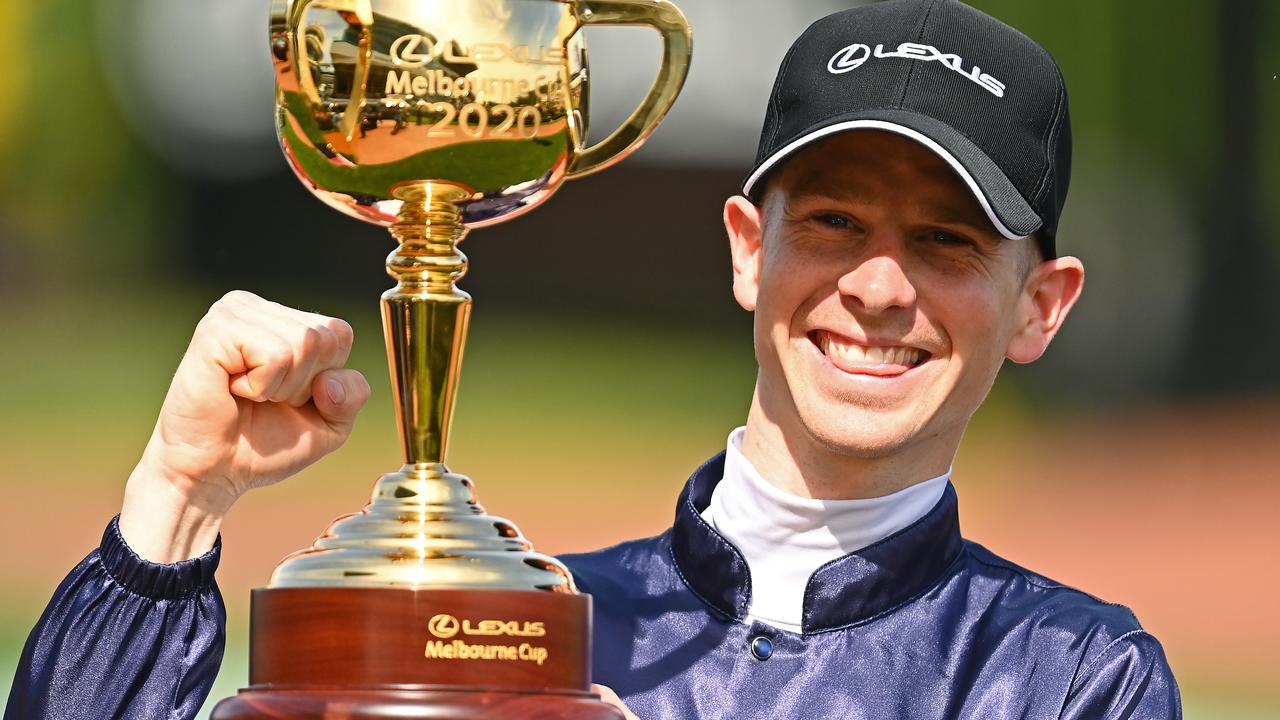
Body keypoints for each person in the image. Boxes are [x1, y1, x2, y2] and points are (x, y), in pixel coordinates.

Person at [6, 1, 1180, 718]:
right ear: (743, 249)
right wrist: (174, 502)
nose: (877, 286)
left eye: (944, 242)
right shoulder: (512, 634)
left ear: (1039, 306)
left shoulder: (1069, 680)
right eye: (830, 221)